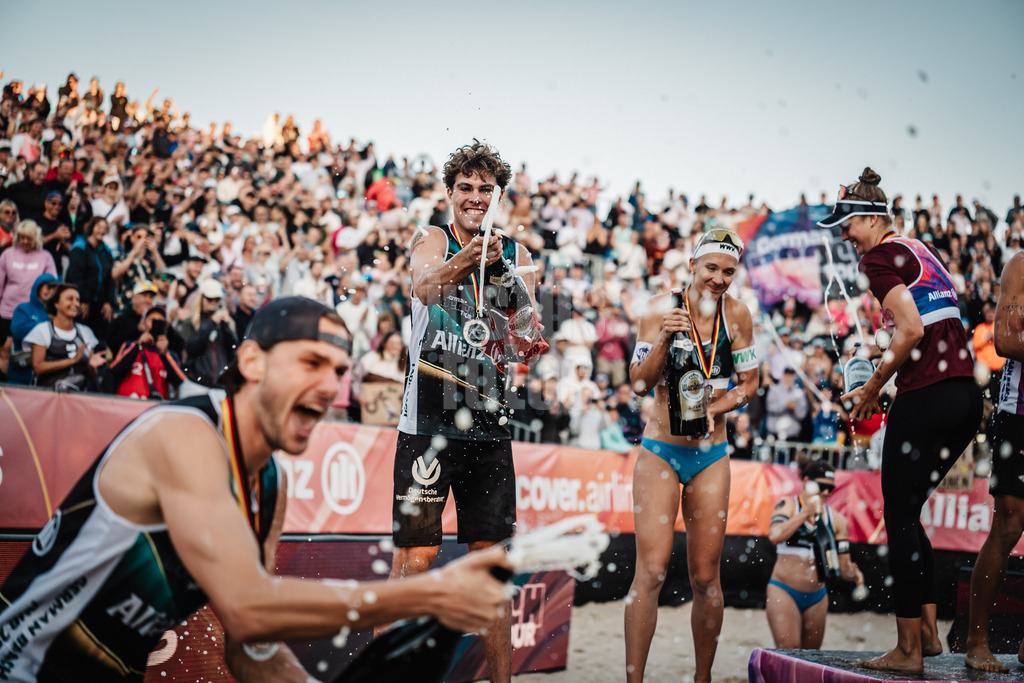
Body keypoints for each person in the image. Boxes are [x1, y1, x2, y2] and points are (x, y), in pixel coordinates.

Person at [0, 296, 511, 681]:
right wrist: (427, 594)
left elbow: (250, 644)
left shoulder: (272, 482)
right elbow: (251, 606)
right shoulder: (184, 432)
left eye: (337, 371)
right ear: (250, 363)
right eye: (310, 364)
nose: (332, 386)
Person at [385, 141, 546, 683]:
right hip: (426, 424)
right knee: (415, 559)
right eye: (466, 189)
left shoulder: (520, 256)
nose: (476, 198)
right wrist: (471, 258)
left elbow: (526, 342)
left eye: (486, 190)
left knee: (491, 566)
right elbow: (425, 287)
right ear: (451, 193)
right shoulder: (433, 236)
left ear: (499, 196)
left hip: (488, 428)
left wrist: (507, 281)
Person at [818, 168, 983, 673]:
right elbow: (928, 325)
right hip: (964, 398)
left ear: (871, 218)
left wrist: (871, 387)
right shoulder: (919, 248)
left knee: (899, 516)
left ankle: (909, 650)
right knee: (910, 513)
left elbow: (909, 330)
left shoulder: (877, 257)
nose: (843, 236)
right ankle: (929, 637)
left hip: (929, 393)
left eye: (847, 224)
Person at [623, 228, 759, 683]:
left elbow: (751, 385)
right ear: (693, 267)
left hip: (710, 453)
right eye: (712, 269)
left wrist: (712, 408)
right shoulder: (660, 309)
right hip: (661, 450)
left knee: (705, 578)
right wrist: (664, 338)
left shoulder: (738, 315)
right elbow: (639, 384)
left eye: (728, 272)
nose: (719, 279)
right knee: (652, 572)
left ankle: (703, 678)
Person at [965, 250, 1024, 673]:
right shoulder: (1020, 265)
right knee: (1007, 525)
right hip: (1019, 411)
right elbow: (1004, 340)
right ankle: (976, 641)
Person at [766, 458, 864, 649]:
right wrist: (805, 513)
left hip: (817, 596)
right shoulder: (788, 504)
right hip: (783, 590)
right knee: (789, 651)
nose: (826, 492)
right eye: (821, 486)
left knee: (811, 658)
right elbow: (774, 536)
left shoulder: (837, 520)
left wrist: (853, 574)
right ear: (807, 481)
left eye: (830, 488)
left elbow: (843, 567)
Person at [24, 282, 104, 391]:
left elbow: (92, 376)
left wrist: (91, 367)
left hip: (79, 401)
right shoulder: (42, 330)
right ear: (56, 303)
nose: (75, 303)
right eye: (70, 299)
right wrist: (73, 360)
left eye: (77, 300)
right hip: (48, 399)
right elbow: (38, 368)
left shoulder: (86, 332)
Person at [108, 304, 186, 399]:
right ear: (143, 323)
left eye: (160, 321)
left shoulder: (170, 355)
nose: (155, 323)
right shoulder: (129, 345)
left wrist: (164, 354)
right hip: (126, 406)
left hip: (154, 410)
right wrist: (138, 345)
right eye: (152, 320)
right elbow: (114, 370)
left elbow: (180, 381)